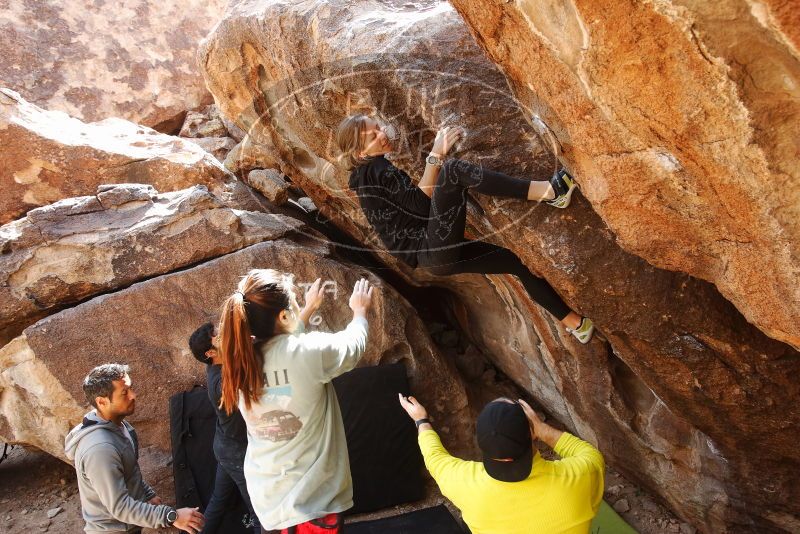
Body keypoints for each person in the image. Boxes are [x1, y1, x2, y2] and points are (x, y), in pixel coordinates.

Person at [336, 114, 594, 343]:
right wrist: (435, 154)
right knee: (453, 171)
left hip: (435, 257)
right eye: (372, 135)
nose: (382, 134)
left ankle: (577, 325)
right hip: (433, 248)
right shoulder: (375, 170)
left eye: (378, 127)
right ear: (361, 154)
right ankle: (550, 192)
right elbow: (419, 205)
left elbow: (414, 207)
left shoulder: (368, 177)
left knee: (515, 262)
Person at [217, 270, 375, 533]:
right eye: (293, 302)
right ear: (282, 315)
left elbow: (285, 347)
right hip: (310, 504)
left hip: (269, 500)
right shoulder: (308, 353)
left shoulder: (240, 365)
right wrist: (360, 312)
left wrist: (309, 307)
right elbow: (352, 346)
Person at [398, 394, 604, 534]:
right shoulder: (579, 478)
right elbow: (589, 453)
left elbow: (434, 458)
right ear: (531, 433)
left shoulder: (465, 484)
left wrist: (421, 420)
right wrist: (542, 429)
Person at [65, 363, 205, 534]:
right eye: (124, 393)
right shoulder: (100, 449)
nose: (133, 395)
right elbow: (121, 508)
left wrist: (147, 493)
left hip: (128, 525)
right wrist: (172, 516)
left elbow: (128, 472)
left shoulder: (120, 426)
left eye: (131, 388)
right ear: (101, 401)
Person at [189, 322, 260, 533]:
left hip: (225, 446)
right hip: (235, 452)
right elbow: (239, 376)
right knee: (259, 510)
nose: (224, 334)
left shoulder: (220, 365)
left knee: (218, 503)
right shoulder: (220, 382)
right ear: (211, 352)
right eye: (218, 335)